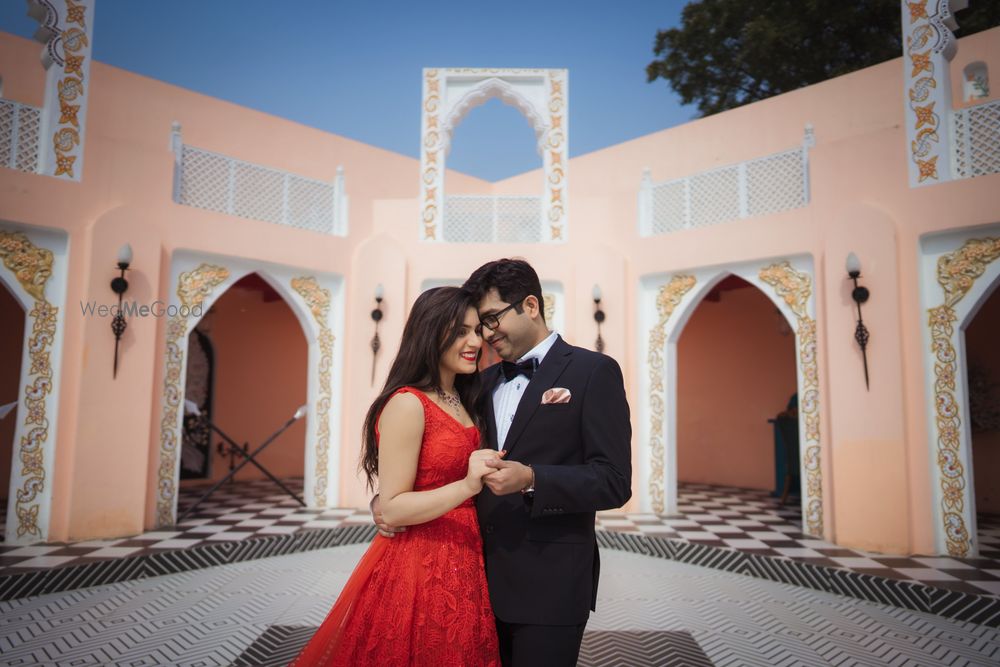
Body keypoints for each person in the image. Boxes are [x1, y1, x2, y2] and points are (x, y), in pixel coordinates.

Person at [375, 259, 633, 667]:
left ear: (530, 306)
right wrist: (388, 500)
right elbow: (439, 451)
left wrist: (533, 478)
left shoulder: (593, 372)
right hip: (469, 580)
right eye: (479, 326)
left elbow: (615, 481)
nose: (485, 337)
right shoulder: (480, 382)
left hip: (551, 583)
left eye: (491, 321)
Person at [292, 287, 501, 666]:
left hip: (465, 557)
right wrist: (469, 485)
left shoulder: (463, 396)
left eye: (476, 330)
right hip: (420, 562)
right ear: (430, 333)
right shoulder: (408, 403)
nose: (474, 342)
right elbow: (394, 507)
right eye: (460, 332)